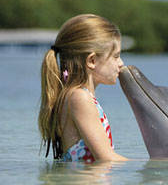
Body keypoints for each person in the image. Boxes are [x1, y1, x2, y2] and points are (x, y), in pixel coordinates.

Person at [38, 14, 127, 163]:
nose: (121, 63)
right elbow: (106, 159)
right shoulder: (79, 98)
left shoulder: (74, 96)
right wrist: (153, 167)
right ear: (92, 60)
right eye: (116, 56)